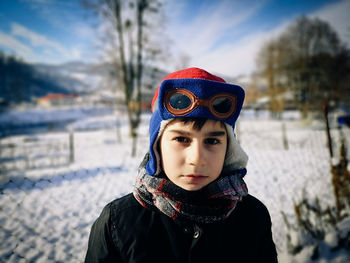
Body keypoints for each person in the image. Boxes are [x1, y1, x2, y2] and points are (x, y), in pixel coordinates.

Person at [85, 67, 278, 263]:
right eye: (181, 139)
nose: (197, 158)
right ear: (157, 146)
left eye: (212, 141)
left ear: (228, 149)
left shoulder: (253, 217)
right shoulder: (118, 221)